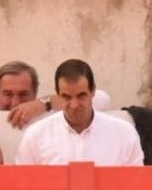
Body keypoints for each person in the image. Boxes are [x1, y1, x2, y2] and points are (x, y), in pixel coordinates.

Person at [0, 61, 118, 165]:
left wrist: (42, 104)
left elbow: (101, 98)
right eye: (7, 94)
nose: (15, 103)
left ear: (35, 93)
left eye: (23, 95)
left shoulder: (49, 116)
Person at [14, 59, 144, 167]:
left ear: (93, 91)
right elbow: (23, 187)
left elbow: (136, 188)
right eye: (66, 97)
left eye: (81, 96)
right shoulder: (35, 135)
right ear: (57, 94)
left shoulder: (124, 133)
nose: (74, 105)